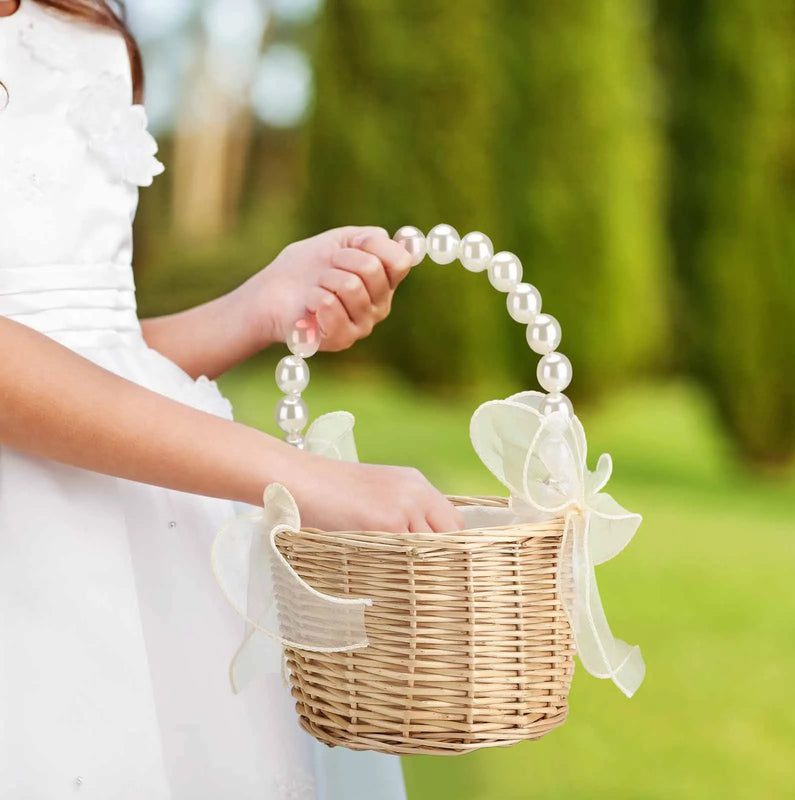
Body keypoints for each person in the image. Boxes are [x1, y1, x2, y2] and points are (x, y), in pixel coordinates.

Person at [0, 0, 462, 796]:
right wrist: (303, 477)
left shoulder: (89, 30)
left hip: (152, 544)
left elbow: (84, 353)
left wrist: (254, 306)